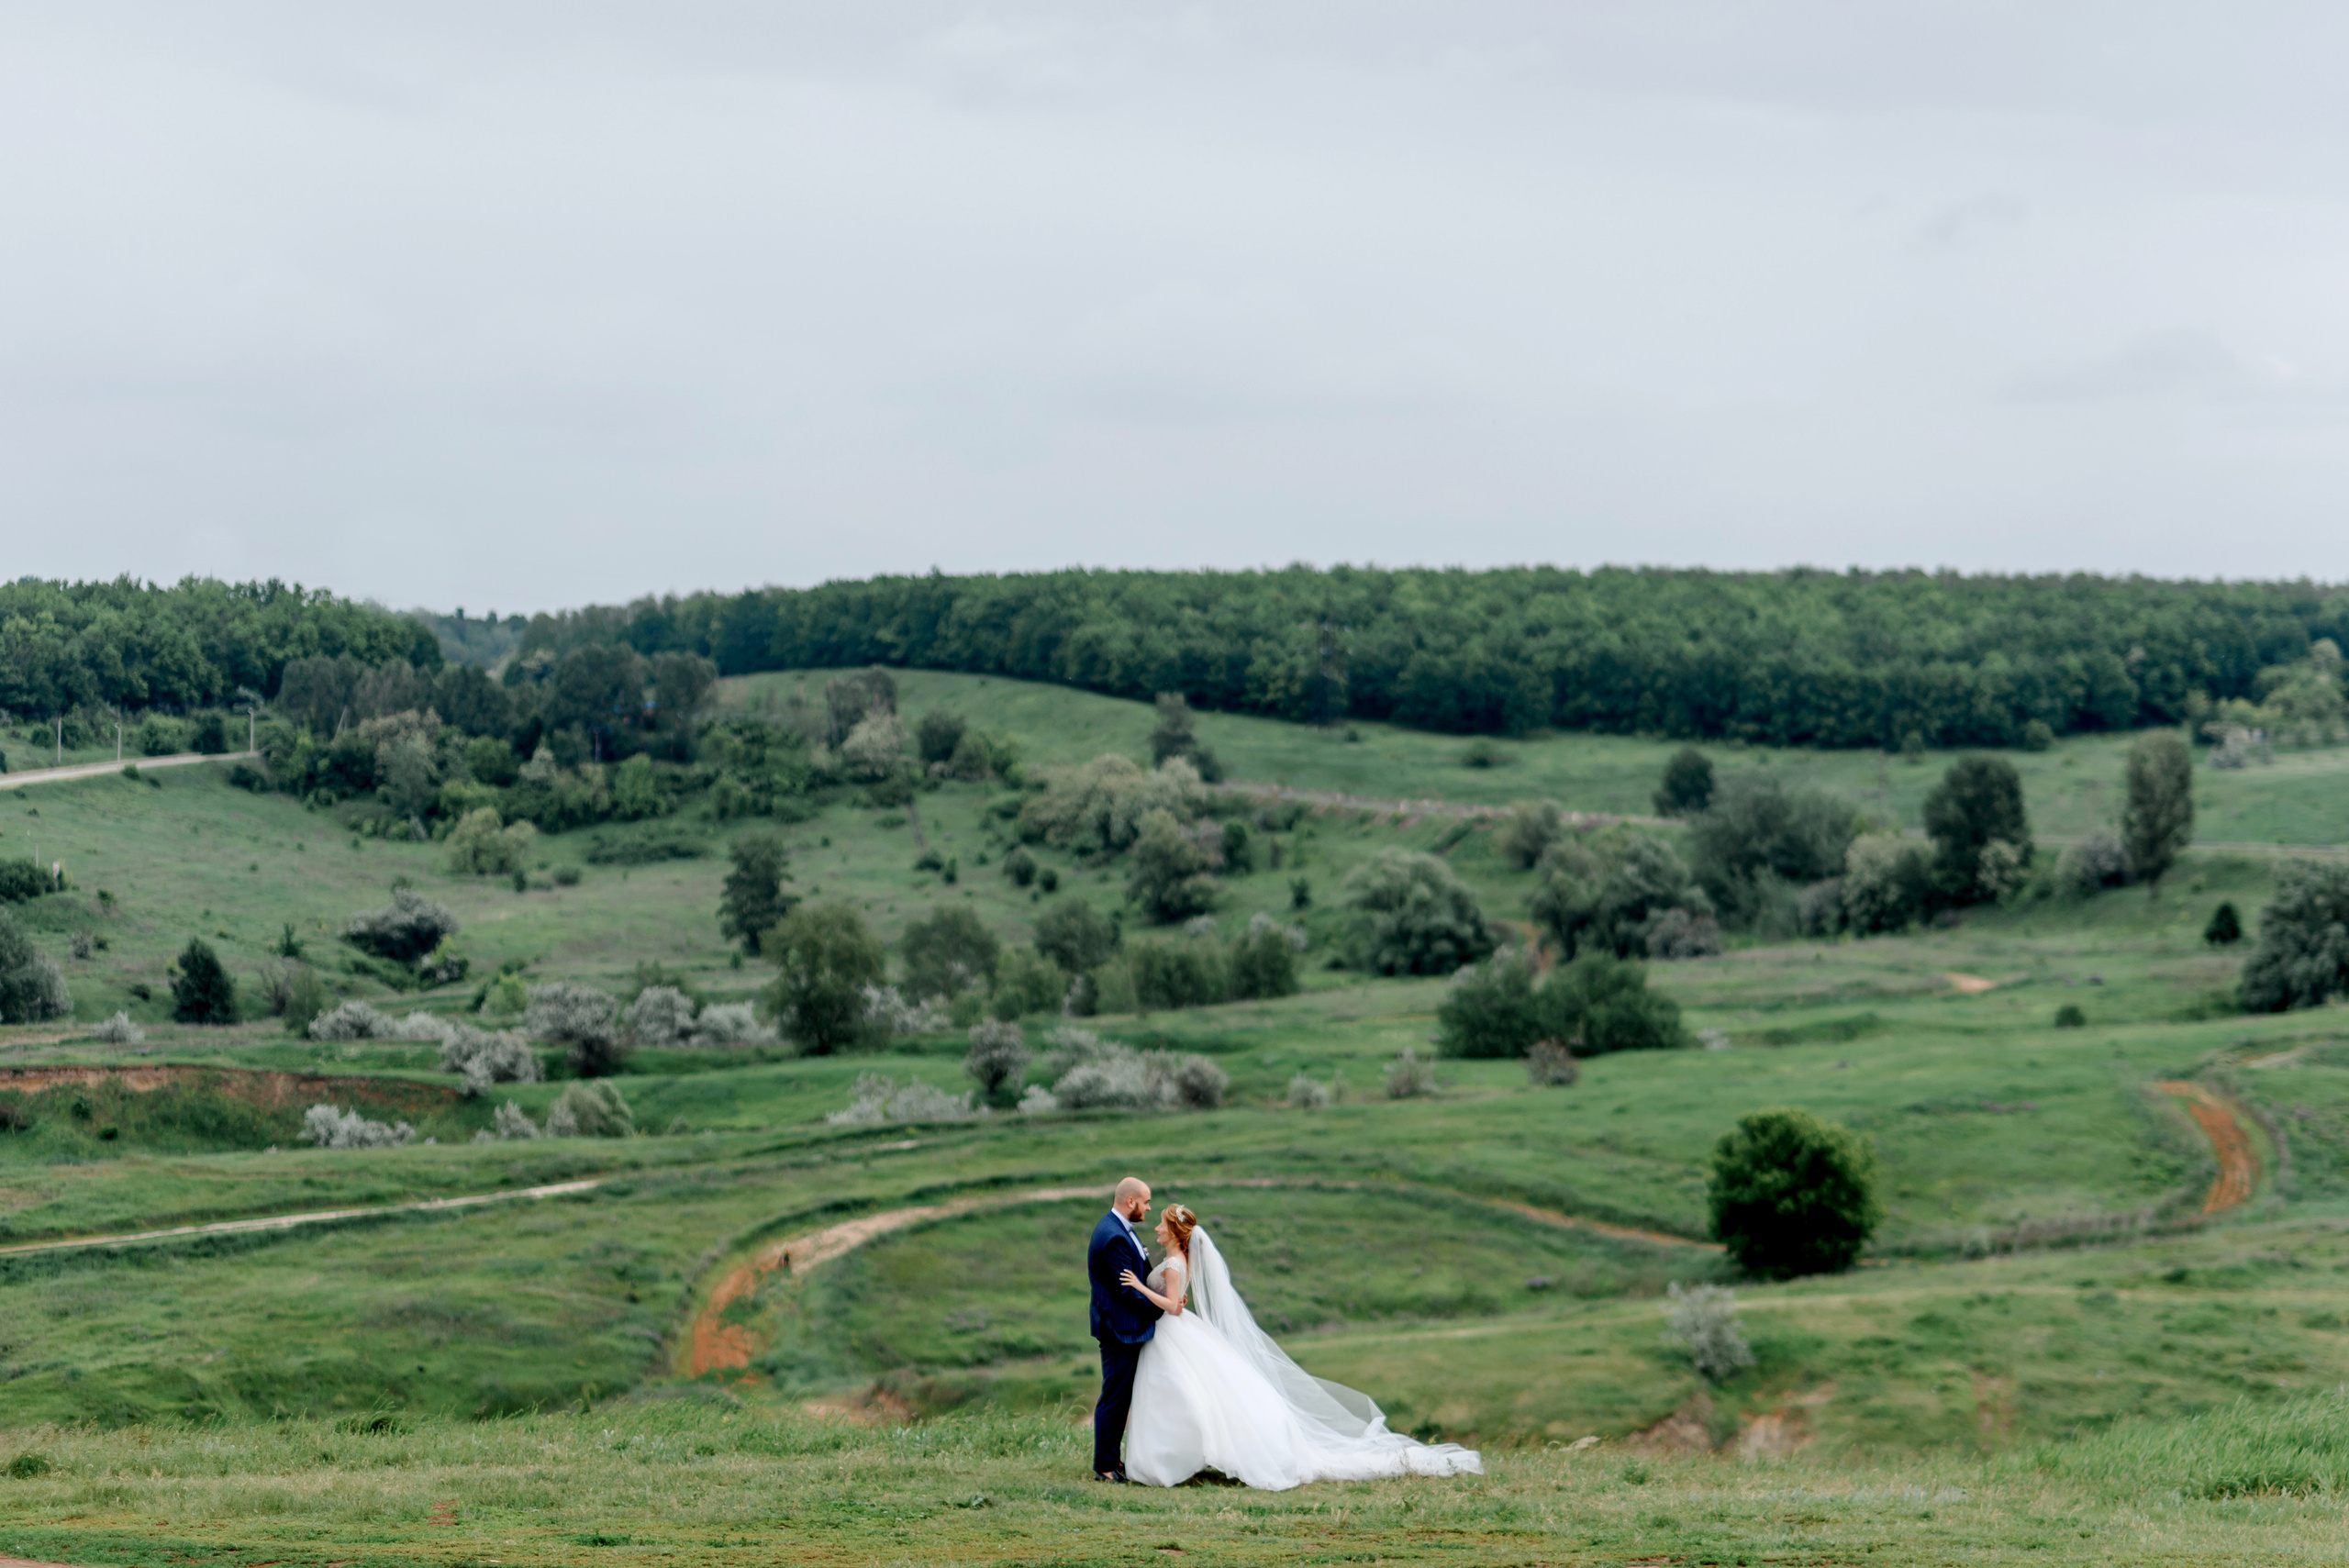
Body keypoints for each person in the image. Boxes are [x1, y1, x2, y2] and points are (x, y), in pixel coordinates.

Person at [1114, 1203, 1482, 1490]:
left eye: (1163, 1223)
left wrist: (1140, 1286)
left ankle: (1173, 1459)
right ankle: (1172, 1457)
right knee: (1179, 1394)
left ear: (1175, 1232)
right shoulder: (1175, 1259)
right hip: (1170, 1335)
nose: (1157, 1227)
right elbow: (1179, 1303)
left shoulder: (1176, 1264)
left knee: (1183, 1393)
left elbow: (1173, 1306)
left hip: (1173, 1333)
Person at [1085, 1175, 1161, 1482]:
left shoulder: (1119, 1230)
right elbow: (1126, 1291)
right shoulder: (1113, 1236)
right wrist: (1163, 1308)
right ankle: (1105, 1466)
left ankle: (1113, 1461)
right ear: (1130, 1201)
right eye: (1145, 1202)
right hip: (1120, 1330)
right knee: (1115, 1397)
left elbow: (1141, 1277)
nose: (1148, 1208)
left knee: (1121, 1396)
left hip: (1125, 1327)